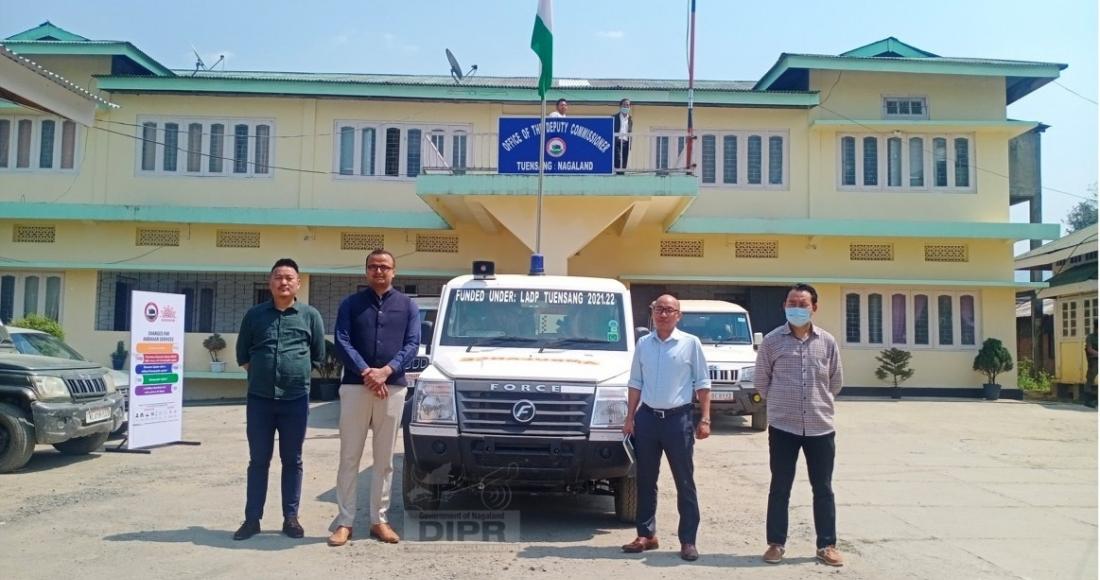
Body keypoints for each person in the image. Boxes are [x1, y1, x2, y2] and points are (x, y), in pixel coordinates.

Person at [328, 249, 420, 547]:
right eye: (373, 267)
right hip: (356, 387)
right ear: (365, 271)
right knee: (349, 456)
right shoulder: (351, 304)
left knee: (384, 460)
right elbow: (341, 340)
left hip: (392, 388)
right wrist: (367, 372)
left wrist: (387, 371)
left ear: (394, 272)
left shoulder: (407, 306)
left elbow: (413, 343)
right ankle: (344, 522)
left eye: (384, 267)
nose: (378, 271)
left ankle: (379, 520)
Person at [233, 258, 325, 541]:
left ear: (298, 283)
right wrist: (265, 374)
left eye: (289, 277)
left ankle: (291, 518)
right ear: (270, 282)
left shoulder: (310, 316)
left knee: (292, 460)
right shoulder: (255, 315)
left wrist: (291, 374)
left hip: (295, 401)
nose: (283, 282)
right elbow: (243, 356)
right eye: (278, 277)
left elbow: (317, 355)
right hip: (260, 400)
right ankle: (252, 520)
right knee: (258, 460)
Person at [754, 283, 844, 567]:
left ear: (814, 308)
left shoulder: (827, 342)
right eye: (791, 303)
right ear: (784, 306)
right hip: (783, 427)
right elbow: (761, 382)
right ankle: (775, 544)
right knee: (780, 486)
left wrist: (817, 402)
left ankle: (827, 545)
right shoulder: (771, 341)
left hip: (820, 427)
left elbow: (836, 382)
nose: (796, 308)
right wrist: (782, 403)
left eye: (802, 303)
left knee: (823, 488)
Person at [621, 295, 711, 561]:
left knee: (685, 482)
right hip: (647, 419)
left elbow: (703, 383)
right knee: (645, 479)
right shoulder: (643, 344)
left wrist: (705, 418)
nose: (663, 314)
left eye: (669, 310)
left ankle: (688, 541)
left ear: (678, 315)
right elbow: (635, 382)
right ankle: (646, 535)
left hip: (678, 420)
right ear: (652, 312)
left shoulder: (690, 344)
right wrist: (630, 417)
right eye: (659, 309)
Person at [613, 98, 633, 174]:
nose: (626, 107)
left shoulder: (630, 119)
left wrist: (630, 143)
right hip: (617, 142)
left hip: (626, 142)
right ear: (620, 106)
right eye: (624, 105)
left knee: (624, 161)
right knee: (618, 160)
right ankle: (618, 175)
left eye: (628, 105)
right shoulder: (615, 117)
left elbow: (630, 132)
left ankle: (622, 175)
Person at [1085, 321, 1097, 408]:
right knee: (1091, 378)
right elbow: (1089, 349)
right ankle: (1089, 400)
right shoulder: (1090, 337)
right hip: (1094, 359)